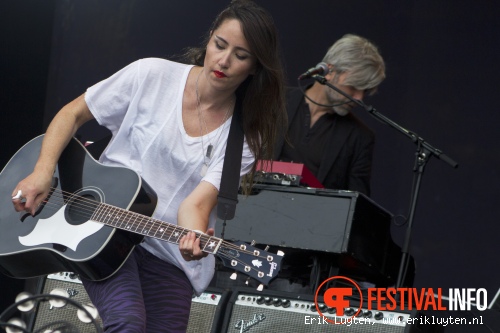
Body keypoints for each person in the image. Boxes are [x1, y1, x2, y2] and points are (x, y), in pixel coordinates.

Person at [11, 0, 286, 331]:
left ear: (255, 66)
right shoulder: (151, 75)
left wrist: (194, 237)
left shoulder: (244, 137)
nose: (224, 61)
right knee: (127, 323)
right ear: (210, 38)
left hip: (168, 254)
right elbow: (73, 114)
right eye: (220, 45)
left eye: (240, 56)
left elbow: (197, 203)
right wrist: (42, 171)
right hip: (102, 233)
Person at [274, 34, 386, 196]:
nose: (359, 98)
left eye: (365, 91)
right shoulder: (274, 102)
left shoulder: (360, 137)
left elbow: (356, 206)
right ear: (329, 71)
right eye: (353, 86)